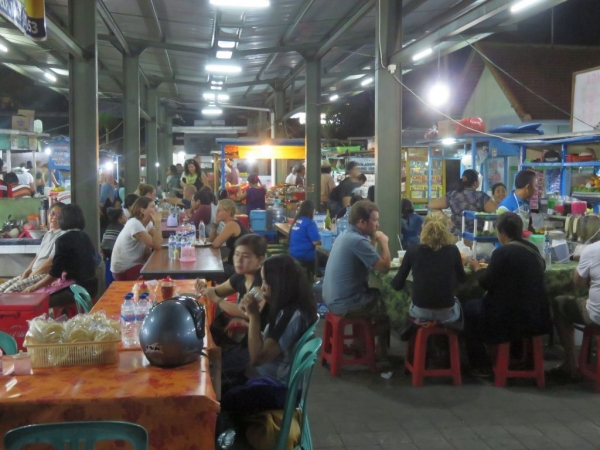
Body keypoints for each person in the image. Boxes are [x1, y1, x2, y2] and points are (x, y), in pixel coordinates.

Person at [220, 255, 315, 417]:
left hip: (275, 388)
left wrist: (254, 316)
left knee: (216, 397)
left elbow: (258, 358)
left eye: (265, 282)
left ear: (279, 284)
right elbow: (275, 342)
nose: (262, 288)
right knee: (219, 378)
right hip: (265, 378)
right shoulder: (288, 306)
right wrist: (250, 327)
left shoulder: (291, 315)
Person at [463, 212, 551, 375]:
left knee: (468, 309)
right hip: (537, 315)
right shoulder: (533, 250)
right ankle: (519, 356)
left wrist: (476, 268)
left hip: (506, 318)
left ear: (502, 233)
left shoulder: (502, 253)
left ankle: (481, 364)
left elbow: (485, 283)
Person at [196, 234, 268, 381]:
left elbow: (249, 313)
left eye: (245, 256)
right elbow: (216, 291)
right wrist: (204, 288)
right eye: (236, 254)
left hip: (258, 347)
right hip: (242, 339)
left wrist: (218, 301)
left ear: (260, 260)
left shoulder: (262, 284)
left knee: (209, 367)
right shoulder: (240, 277)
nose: (238, 260)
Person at [322, 200, 391, 353]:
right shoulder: (357, 240)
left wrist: (373, 239)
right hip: (345, 303)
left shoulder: (347, 235)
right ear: (362, 222)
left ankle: (361, 343)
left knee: (376, 296)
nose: (377, 225)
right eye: (375, 220)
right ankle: (375, 350)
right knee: (389, 307)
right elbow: (384, 267)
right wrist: (384, 243)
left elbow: (369, 259)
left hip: (332, 298)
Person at [392, 211, 466, 325]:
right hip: (446, 313)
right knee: (459, 302)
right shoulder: (453, 250)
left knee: (410, 302)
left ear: (423, 229)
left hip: (420, 311)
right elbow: (462, 280)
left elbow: (397, 284)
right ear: (446, 230)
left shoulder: (413, 250)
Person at [23, 204, 99, 299]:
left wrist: (35, 286)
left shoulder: (63, 240)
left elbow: (55, 273)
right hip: (91, 286)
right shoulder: (85, 236)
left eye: (59, 216)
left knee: (36, 299)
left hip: (76, 288)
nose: (56, 218)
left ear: (64, 219)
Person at [550, 241, 600, 382]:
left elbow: (579, 282)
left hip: (597, 316)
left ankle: (571, 365)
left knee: (559, 303)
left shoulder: (592, 249)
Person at [0, 203, 65, 293]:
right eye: (52, 213)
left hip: (43, 275)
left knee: (9, 292)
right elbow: (37, 257)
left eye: (58, 215)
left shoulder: (63, 236)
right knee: (1, 289)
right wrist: (26, 272)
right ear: (48, 214)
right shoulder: (47, 234)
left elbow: (51, 262)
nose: (54, 217)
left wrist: (34, 273)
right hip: (34, 273)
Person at [429, 169, 496, 236]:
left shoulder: (452, 195)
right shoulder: (481, 196)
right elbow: (497, 212)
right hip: (474, 236)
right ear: (475, 183)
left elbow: (432, 206)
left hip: (455, 235)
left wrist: (447, 219)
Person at [110, 197, 163, 281]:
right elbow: (157, 245)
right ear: (142, 210)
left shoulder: (147, 223)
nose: (156, 208)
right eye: (152, 206)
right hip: (124, 270)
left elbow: (159, 241)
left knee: (159, 269)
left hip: (135, 264)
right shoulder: (135, 224)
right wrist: (158, 223)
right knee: (158, 276)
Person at [208, 199, 250, 275]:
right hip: (236, 263)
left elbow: (215, 244)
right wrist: (216, 223)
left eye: (219, 211)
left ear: (228, 212)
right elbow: (211, 239)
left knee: (208, 271)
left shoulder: (232, 225)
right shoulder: (231, 223)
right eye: (216, 211)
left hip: (238, 268)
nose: (216, 213)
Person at [289, 200, 322, 265]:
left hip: (293, 252)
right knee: (326, 257)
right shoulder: (309, 222)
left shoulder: (297, 220)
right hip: (304, 255)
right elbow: (316, 242)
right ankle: (316, 274)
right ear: (312, 210)